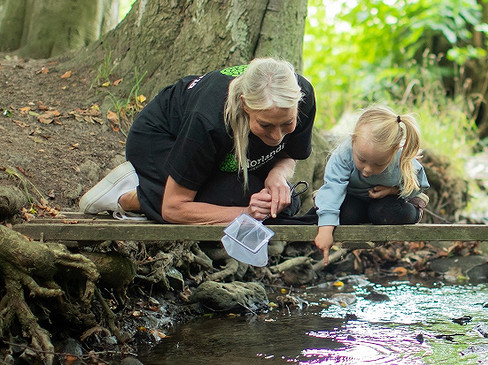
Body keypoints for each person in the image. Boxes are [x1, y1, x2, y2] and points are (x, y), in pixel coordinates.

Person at [79, 58, 316, 224]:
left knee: (284, 204)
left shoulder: (301, 95)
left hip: (222, 155)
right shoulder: (207, 119)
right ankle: (126, 196)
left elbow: (288, 154)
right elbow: (174, 208)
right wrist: (245, 213)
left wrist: (277, 177)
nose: (276, 137)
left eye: (287, 124)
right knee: (234, 202)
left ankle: (168, 191)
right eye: (265, 125)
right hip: (164, 140)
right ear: (245, 105)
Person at [313, 105, 430, 264]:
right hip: (355, 199)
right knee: (346, 213)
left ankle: (411, 210)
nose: (367, 170)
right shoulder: (344, 154)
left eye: (378, 164)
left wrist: (392, 191)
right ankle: (363, 214)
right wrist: (325, 229)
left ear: (394, 152)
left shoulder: (401, 158)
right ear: (353, 141)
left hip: (389, 202)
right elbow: (334, 186)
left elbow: (419, 185)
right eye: (361, 160)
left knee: (384, 212)